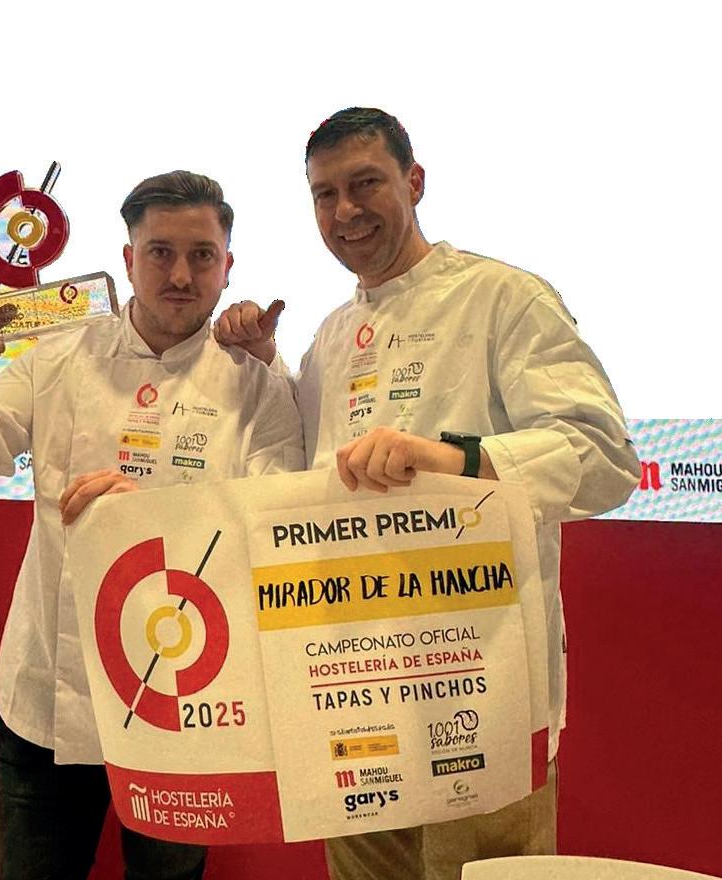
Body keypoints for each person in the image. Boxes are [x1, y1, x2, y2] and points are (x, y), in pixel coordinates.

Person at [214, 107, 640, 880]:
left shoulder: (503, 298)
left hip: (477, 689)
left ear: (414, 181)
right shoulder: (332, 336)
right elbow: (303, 483)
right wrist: (265, 364)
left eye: (365, 183)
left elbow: (604, 458)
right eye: (324, 194)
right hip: (352, 692)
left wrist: (450, 459)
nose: (345, 210)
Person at [0, 170, 305, 880]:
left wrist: (142, 516)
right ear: (127, 259)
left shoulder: (258, 387)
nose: (181, 274)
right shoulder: (59, 355)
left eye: (202, 255)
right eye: (160, 252)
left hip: (184, 703)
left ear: (228, 264)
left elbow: (274, 527)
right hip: (48, 699)